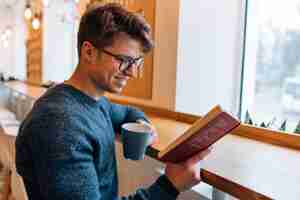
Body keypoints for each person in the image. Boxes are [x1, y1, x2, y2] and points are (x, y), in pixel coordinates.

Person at [15, 3, 211, 200]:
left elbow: (127, 113)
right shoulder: (60, 125)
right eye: (123, 60)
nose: (132, 73)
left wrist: (144, 125)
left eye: (136, 62)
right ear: (89, 52)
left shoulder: (93, 100)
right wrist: (170, 185)